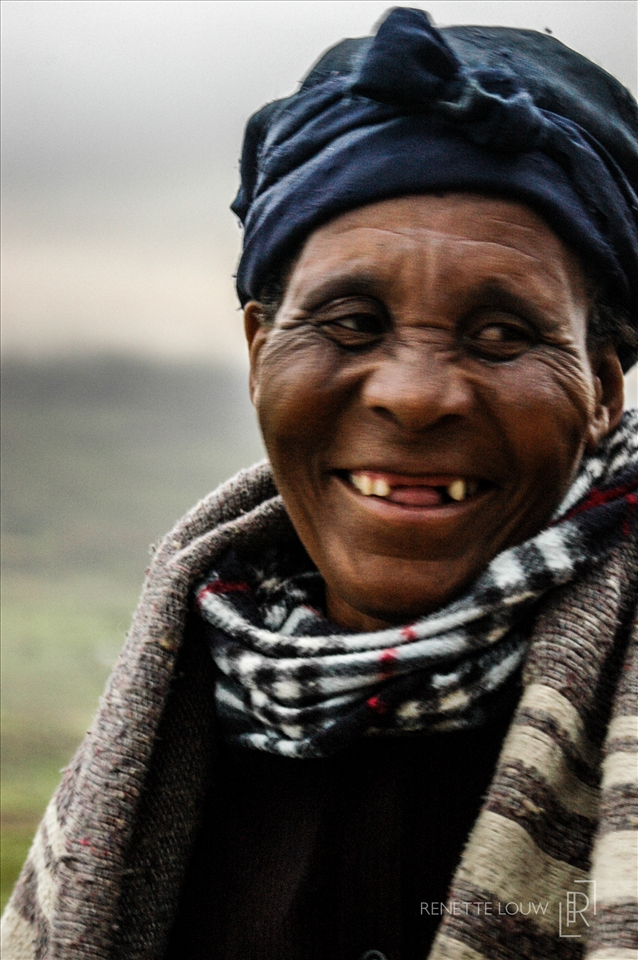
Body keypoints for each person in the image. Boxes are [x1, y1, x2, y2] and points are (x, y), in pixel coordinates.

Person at [2, 8, 637, 960]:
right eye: (350, 321)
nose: (416, 397)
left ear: (603, 388)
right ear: (259, 350)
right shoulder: (183, 709)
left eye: (503, 334)